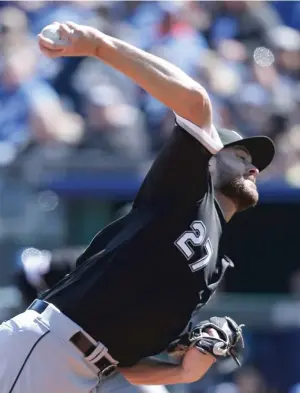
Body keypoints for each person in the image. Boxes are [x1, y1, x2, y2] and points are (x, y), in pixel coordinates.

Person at [0, 22, 274, 393]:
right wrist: (98, 45)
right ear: (209, 159)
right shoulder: (188, 189)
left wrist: (182, 371)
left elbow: (130, 367)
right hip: (47, 349)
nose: (253, 167)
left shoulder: (213, 266)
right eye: (240, 156)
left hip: (84, 372)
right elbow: (196, 101)